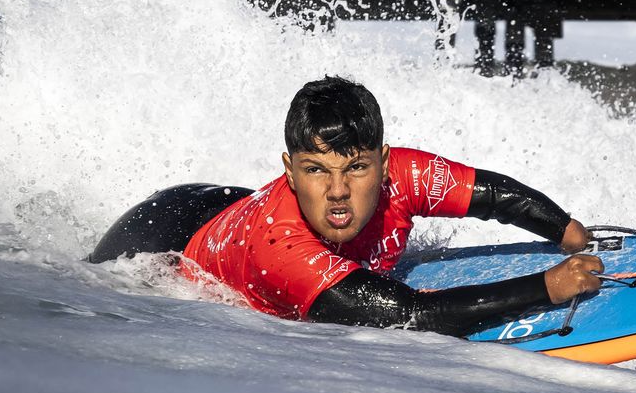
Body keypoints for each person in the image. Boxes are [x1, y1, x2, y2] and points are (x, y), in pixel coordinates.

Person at [89, 76, 603, 336]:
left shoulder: (405, 172)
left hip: (234, 213)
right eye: (316, 170)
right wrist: (546, 286)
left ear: (382, 162)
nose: (338, 191)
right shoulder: (283, 251)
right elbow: (412, 316)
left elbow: (491, 196)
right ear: (290, 171)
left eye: (355, 168)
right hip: (167, 233)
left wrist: (566, 229)